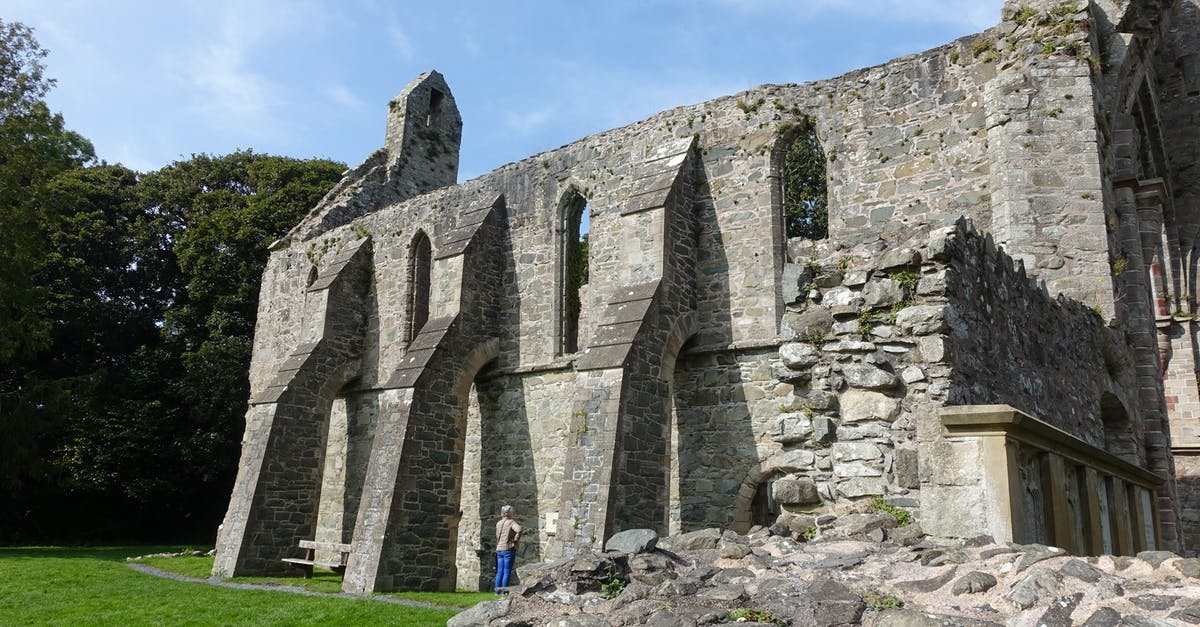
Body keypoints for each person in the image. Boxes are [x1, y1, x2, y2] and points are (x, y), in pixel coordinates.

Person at [494, 504, 522, 594]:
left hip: (499, 549)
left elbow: (497, 536)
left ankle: (497, 592)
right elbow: (519, 529)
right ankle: (504, 592)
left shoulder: (498, 523)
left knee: (499, 571)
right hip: (508, 548)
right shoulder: (511, 522)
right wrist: (515, 539)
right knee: (506, 571)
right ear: (510, 513)